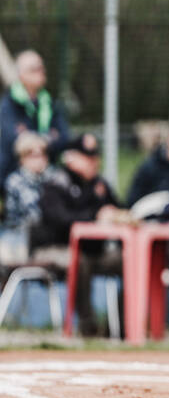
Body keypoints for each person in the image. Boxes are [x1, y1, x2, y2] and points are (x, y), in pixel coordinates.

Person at [34, 134, 133, 336]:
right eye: (87, 157)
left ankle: (121, 327)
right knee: (79, 261)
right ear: (71, 158)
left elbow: (119, 207)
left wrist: (117, 215)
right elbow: (61, 221)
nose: (94, 162)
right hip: (55, 249)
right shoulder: (56, 183)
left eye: (95, 157)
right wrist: (95, 215)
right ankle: (88, 327)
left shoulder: (100, 184)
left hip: (95, 251)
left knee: (130, 262)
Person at [0, 50, 72, 188]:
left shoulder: (50, 103)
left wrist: (31, 139)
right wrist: (48, 137)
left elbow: (64, 138)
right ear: (21, 75)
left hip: (47, 173)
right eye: (34, 69)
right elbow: (14, 140)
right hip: (13, 173)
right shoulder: (8, 105)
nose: (41, 71)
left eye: (41, 68)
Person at [0, 132, 58, 264]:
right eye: (34, 155)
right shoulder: (15, 181)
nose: (40, 159)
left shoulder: (52, 176)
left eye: (43, 153)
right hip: (18, 237)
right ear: (22, 158)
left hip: (47, 236)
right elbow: (36, 213)